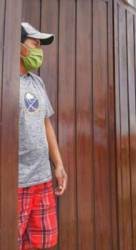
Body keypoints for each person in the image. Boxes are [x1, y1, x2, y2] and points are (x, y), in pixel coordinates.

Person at [18, 22, 67, 250]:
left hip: (42, 179)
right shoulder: (5, 81)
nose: (39, 50)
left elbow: (46, 123)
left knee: (43, 243)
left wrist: (58, 165)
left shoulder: (37, 82)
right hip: (15, 183)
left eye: (41, 45)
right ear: (18, 46)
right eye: (35, 43)